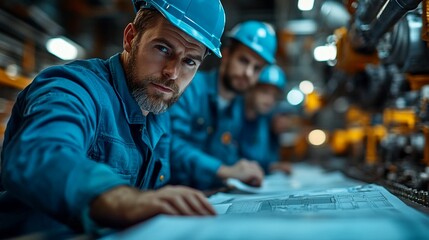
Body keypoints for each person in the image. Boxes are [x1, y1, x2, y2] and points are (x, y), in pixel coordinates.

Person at [0, 0, 225, 237]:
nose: (173, 72)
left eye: (189, 61)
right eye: (163, 48)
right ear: (130, 38)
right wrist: (121, 199)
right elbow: (41, 151)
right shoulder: (75, 88)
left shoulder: (158, 114)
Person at [169, 20, 277, 190]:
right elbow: (171, 145)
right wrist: (225, 170)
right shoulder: (190, 88)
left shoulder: (236, 108)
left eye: (256, 68)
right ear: (226, 55)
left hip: (208, 197)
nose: (248, 73)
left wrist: (243, 170)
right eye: (243, 61)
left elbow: (227, 156)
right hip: (173, 194)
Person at [239, 64, 291, 174]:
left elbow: (262, 159)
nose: (269, 100)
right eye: (264, 92)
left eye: (274, 96)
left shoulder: (264, 120)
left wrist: (271, 166)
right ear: (251, 89)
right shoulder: (233, 115)